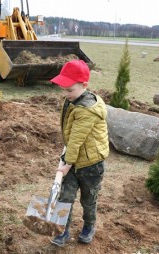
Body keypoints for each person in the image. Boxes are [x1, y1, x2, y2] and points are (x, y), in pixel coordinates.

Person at [49, 59, 109, 247]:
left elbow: (76, 141)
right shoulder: (73, 99)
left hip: (91, 164)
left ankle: (89, 226)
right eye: (64, 90)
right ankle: (62, 231)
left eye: (69, 90)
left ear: (84, 85)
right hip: (73, 158)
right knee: (65, 197)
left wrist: (65, 165)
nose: (66, 94)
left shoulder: (87, 110)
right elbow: (70, 137)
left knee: (88, 200)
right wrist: (66, 157)